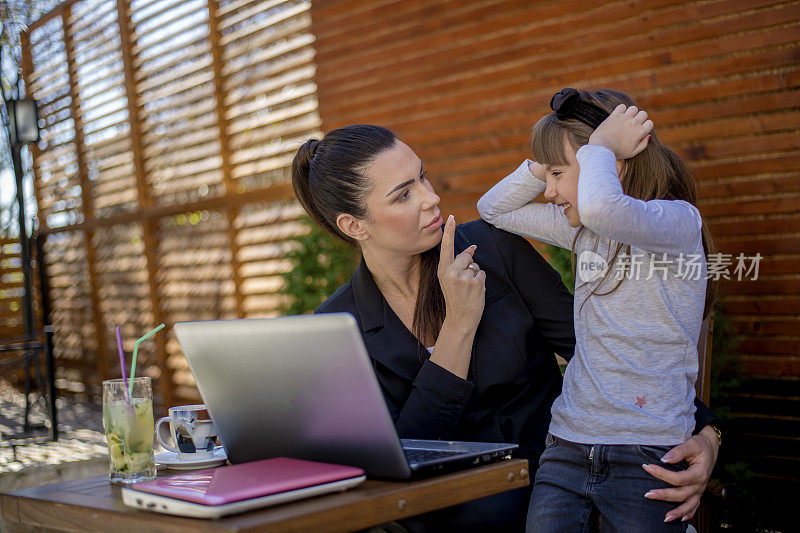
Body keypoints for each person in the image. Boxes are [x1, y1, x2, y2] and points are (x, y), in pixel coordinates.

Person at [291, 124, 720, 532]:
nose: (431, 198)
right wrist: (459, 325)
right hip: (442, 510)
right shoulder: (339, 325)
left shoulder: (493, 247)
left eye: (424, 177)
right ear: (354, 225)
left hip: (554, 483)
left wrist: (707, 432)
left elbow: (595, 347)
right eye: (404, 195)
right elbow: (404, 453)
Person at [477, 89, 721, 531]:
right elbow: (493, 209)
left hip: (646, 455)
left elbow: (601, 206)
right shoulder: (586, 231)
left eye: (557, 173)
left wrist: (600, 148)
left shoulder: (679, 222)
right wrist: (542, 161)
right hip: (567, 447)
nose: (548, 191)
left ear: (614, 164)